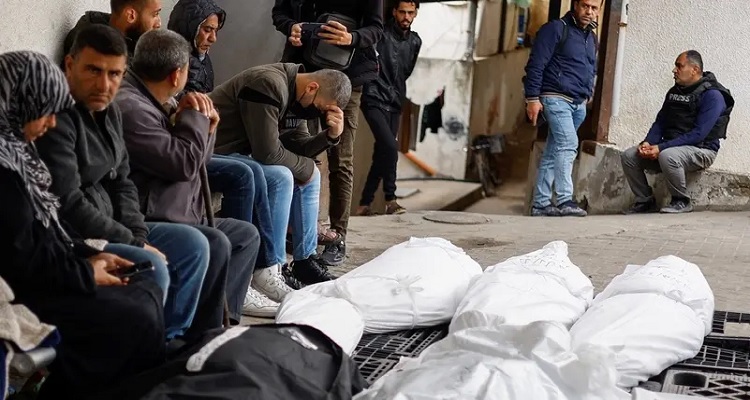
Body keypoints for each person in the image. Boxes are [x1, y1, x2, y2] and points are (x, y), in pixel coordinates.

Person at [36, 25, 221, 339]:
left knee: (197, 245)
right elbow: (67, 202)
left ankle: (168, 341)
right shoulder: (56, 118)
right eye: (93, 71)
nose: (104, 84)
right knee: (152, 264)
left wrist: (137, 232)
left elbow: (123, 181)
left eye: (115, 74)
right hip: (75, 233)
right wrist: (134, 242)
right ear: (70, 65)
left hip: (115, 223)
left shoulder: (110, 112)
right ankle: (138, 353)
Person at [0, 50, 165, 399]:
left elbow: (45, 230)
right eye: (44, 111)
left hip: (43, 273)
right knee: (132, 315)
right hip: (21, 289)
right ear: (18, 103)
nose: (51, 123)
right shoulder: (3, 169)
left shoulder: (17, 152)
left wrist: (90, 255)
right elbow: (20, 260)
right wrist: (83, 272)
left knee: (145, 289)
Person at [114, 29, 269, 318]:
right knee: (216, 241)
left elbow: (198, 161)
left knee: (245, 235)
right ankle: (201, 330)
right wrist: (194, 119)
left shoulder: (160, 100)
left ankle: (224, 322)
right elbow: (184, 164)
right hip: (152, 217)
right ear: (177, 75)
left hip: (180, 209)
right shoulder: (131, 107)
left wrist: (207, 128)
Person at [167, 0, 301, 297]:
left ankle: (269, 268)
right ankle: (241, 275)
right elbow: (176, 118)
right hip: (183, 148)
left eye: (216, 30)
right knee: (248, 171)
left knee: (269, 173)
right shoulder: (172, 57)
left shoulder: (203, 61)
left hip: (203, 142)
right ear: (189, 27)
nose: (213, 38)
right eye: (206, 30)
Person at [210, 63, 351, 285]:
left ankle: (304, 260)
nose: (318, 114)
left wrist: (331, 136)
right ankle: (271, 267)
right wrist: (308, 169)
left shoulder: (300, 97)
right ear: (312, 87)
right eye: (321, 109)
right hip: (213, 150)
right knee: (282, 177)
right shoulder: (268, 84)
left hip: (240, 155)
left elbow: (299, 146)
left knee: (308, 173)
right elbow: (267, 152)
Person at [272, 0, 384, 266]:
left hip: (348, 76)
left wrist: (352, 37)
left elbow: (376, 28)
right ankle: (303, 231)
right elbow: (280, 13)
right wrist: (292, 28)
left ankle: (338, 236)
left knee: (340, 159)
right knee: (301, 151)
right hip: (304, 72)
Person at [621, 50, 734, 214]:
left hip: (702, 150)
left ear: (694, 69)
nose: (674, 70)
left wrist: (661, 148)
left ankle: (681, 200)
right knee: (629, 156)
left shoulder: (713, 95)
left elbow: (699, 134)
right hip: (671, 148)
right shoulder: (675, 92)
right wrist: (647, 143)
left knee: (668, 155)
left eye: (679, 66)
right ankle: (645, 201)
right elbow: (660, 122)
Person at [523, 0, 600, 217]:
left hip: (578, 102)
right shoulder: (556, 29)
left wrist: (588, 94)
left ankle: (540, 203)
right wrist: (532, 98)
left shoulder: (591, 37)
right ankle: (565, 199)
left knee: (552, 151)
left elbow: (591, 68)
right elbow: (536, 64)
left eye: (594, 8)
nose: (589, 11)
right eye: (585, 6)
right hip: (555, 97)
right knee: (568, 145)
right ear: (575, 5)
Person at [356, 0, 421, 217]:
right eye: (402, 12)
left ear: (415, 14)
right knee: (390, 147)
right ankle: (390, 199)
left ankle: (364, 203)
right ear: (394, 12)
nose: (406, 16)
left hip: (395, 101)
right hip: (373, 96)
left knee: (382, 152)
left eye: (410, 12)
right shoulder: (379, 34)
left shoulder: (415, 41)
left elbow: (406, 71)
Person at [63, 0, 163, 60]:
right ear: (131, 15)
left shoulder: (134, 37)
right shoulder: (93, 48)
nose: (159, 23)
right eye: (155, 14)